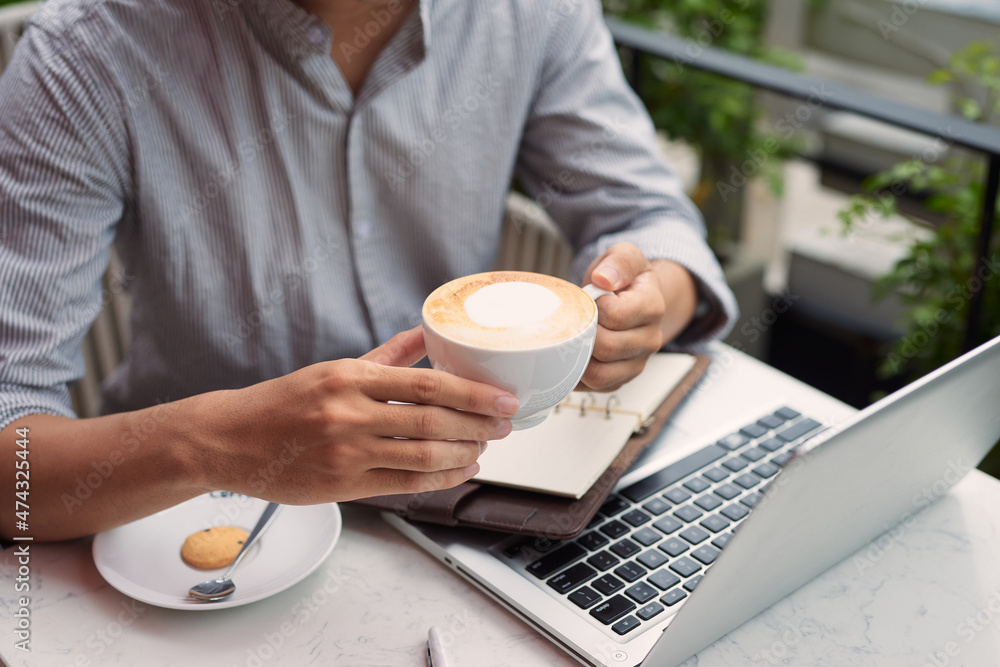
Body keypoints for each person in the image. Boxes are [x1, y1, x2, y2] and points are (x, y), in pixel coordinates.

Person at [0, 0, 737, 541]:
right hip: (189, 531)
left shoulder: (530, 14)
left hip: (467, 514)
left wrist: (651, 302)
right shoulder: (86, 55)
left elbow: (647, 220)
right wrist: (213, 444)